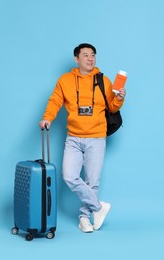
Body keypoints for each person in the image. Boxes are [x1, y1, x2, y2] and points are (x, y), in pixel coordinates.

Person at [39, 43, 126, 233]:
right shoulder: (66, 80)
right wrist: (47, 117)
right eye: (85, 55)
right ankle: (99, 207)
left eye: (93, 55)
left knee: (92, 181)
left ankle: (84, 218)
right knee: (69, 176)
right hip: (74, 138)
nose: (90, 58)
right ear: (76, 59)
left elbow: (112, 107)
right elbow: (55, 100)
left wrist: (119, 98)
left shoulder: (104, 80)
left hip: (96, 137)